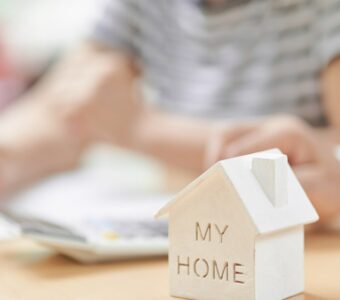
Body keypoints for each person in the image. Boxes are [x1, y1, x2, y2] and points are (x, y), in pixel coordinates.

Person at [1, 0, 340, 222]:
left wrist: (141, 130)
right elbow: (67, 108)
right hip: (183, 235)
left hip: (298, 247)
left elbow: (328, 162)